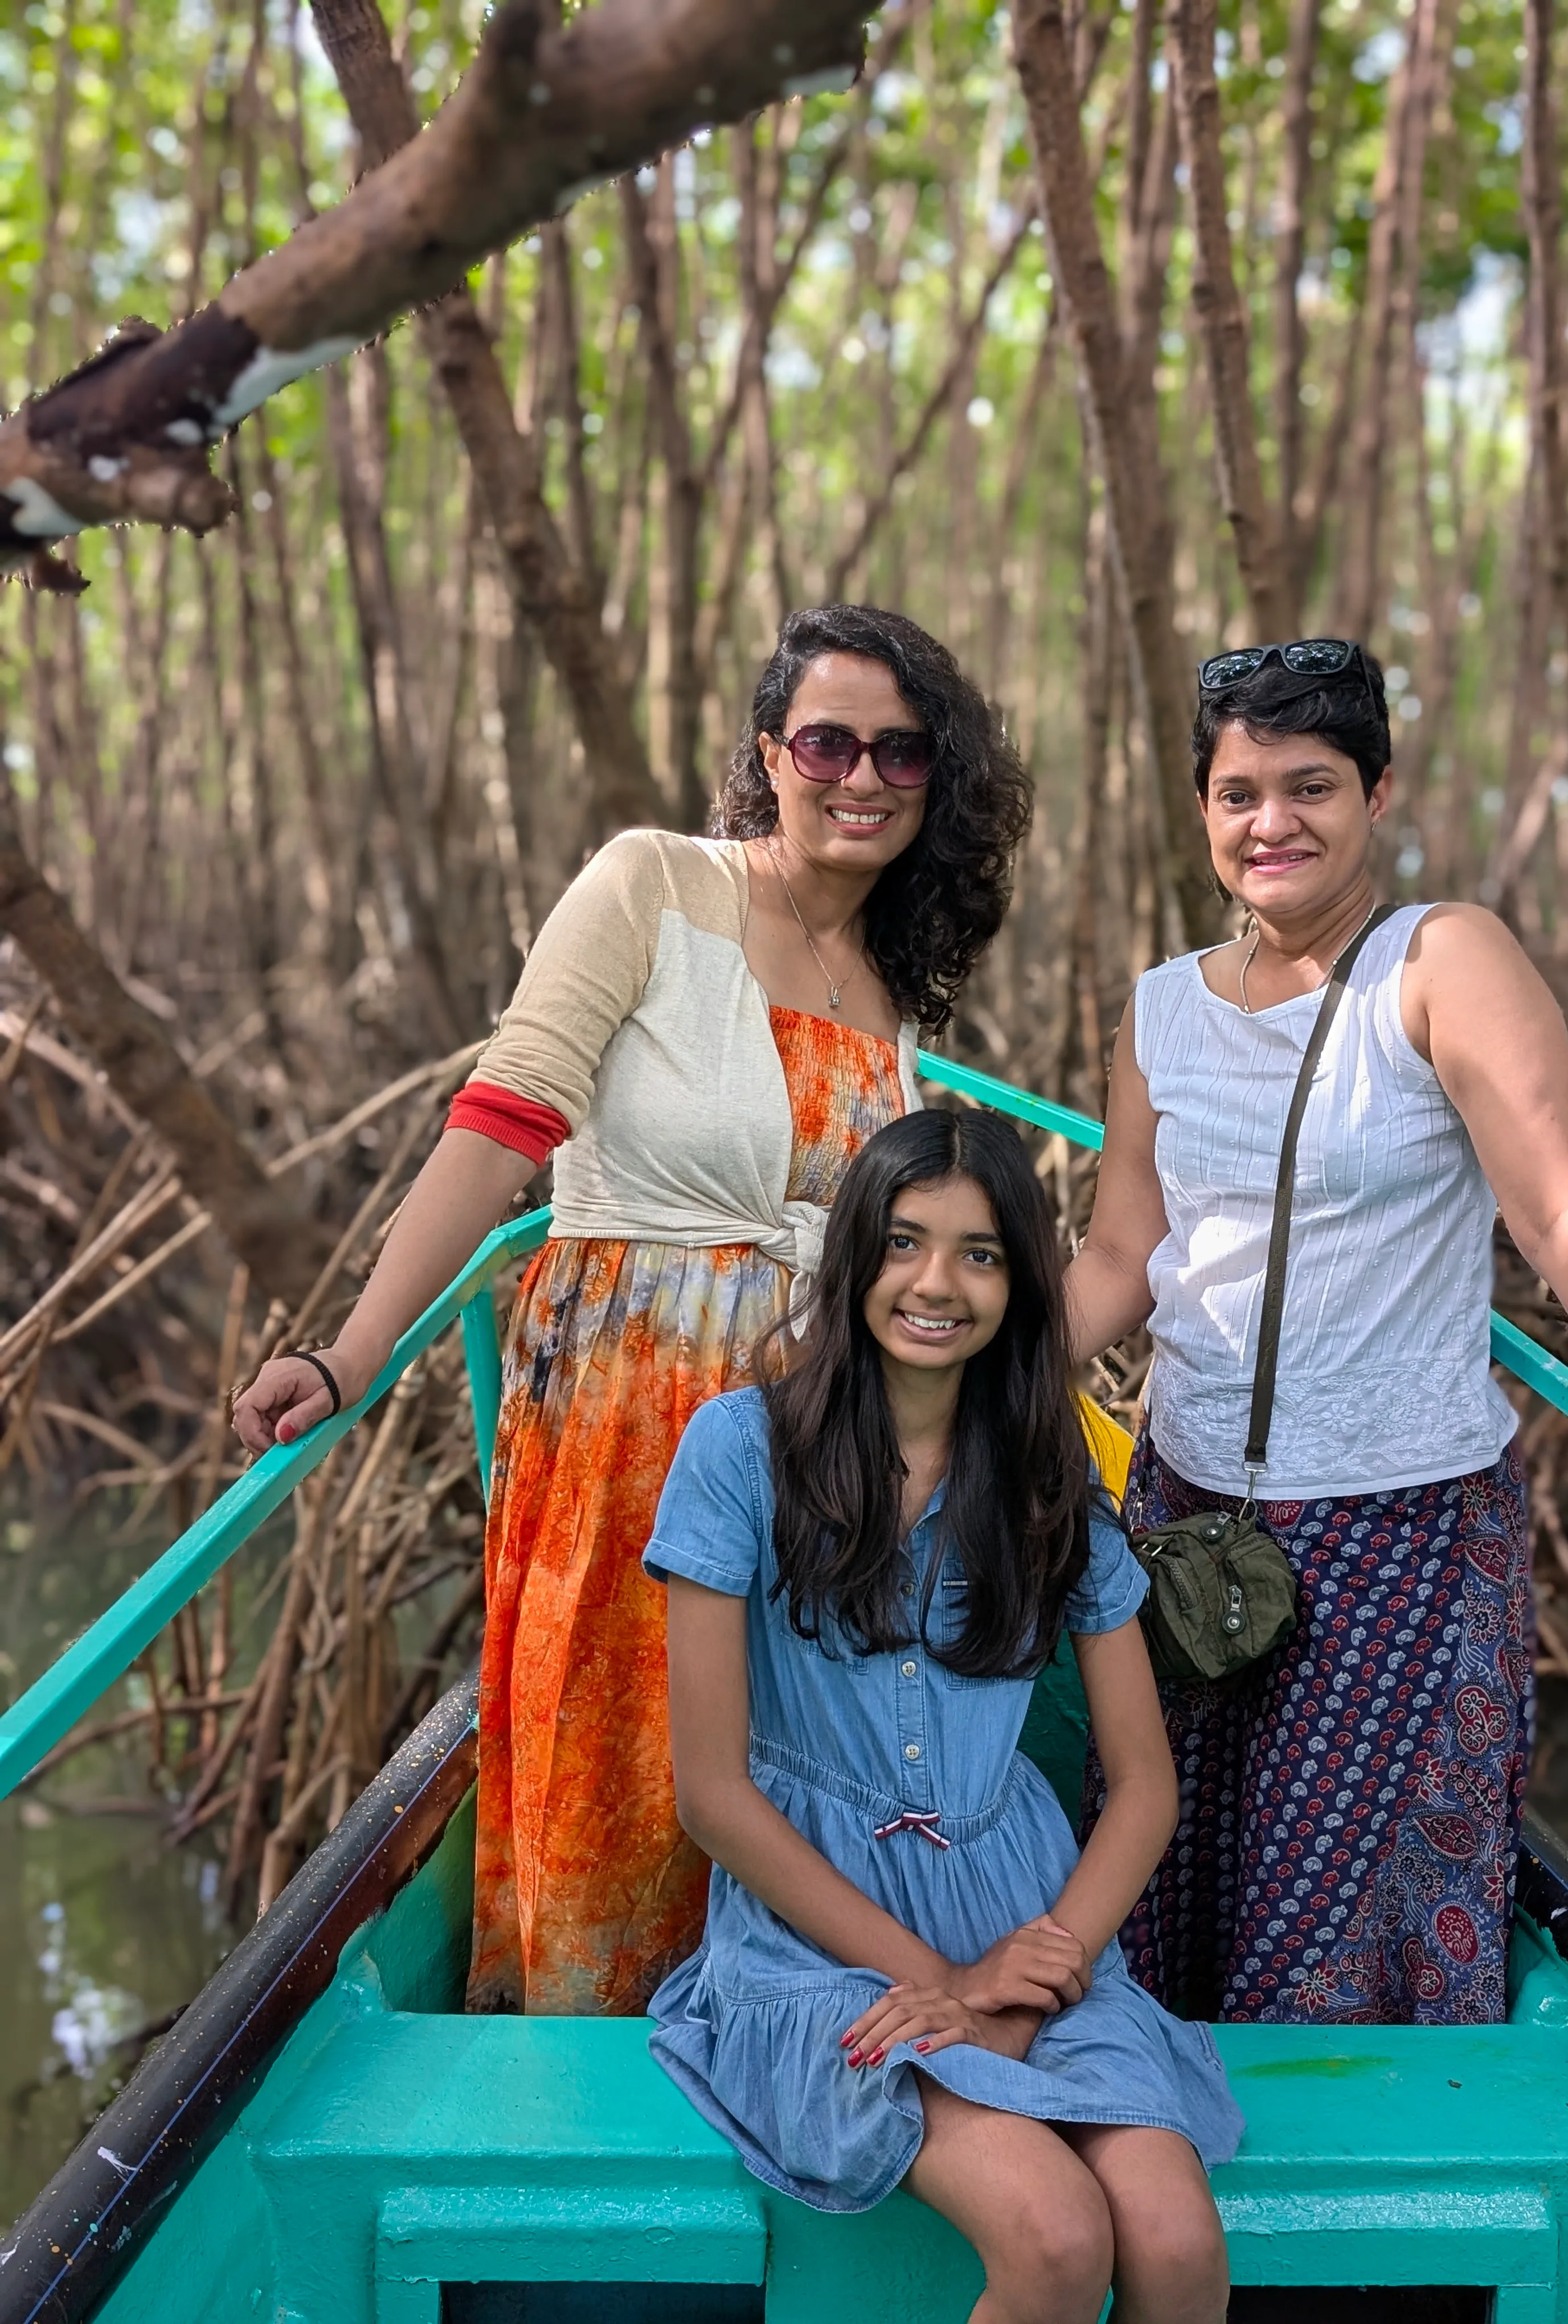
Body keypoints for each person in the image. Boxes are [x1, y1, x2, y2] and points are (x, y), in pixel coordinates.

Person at [231, 604, 1031, 2016]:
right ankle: (590, 2093)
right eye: (827, 741)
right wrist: (348, 1353)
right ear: (770, 754)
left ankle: (771, 2061)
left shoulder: (899, 994)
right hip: (627, 1419)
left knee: (789, 1775)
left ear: (938, 781)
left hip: (815, 1447)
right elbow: (500, 1125)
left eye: (901, 753)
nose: (861, 778)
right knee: (629, 1775)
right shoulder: (652, 885)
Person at [1064, 637, 1568, 2028]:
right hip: (1188, 1530)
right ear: (1200, 809)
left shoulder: (1442, 960)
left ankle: (1371, 2249)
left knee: (1341, 1967)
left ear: (1378, 793)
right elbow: (1126, 1253)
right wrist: (960, 1384)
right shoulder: (1160, 1012)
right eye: (1238, 792)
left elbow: (1563, 1222)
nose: (1273, 824)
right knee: (1171, 1918)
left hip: (1405, 1538)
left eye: (1310, 786)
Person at [644, 1110, 1241, 2324]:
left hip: (1030, 1937)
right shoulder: (739, 1452)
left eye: (980, 1254)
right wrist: (943, 1983)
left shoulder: (1046, 1474)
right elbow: (713, 1795)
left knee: (1175, 2244)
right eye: (906, 1243)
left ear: (1021, 1284)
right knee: (1057, 2235)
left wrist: (1029, 1976)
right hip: (821, 1947)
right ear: (855, 1255)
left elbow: (1144, 1784)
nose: (935, 1284)